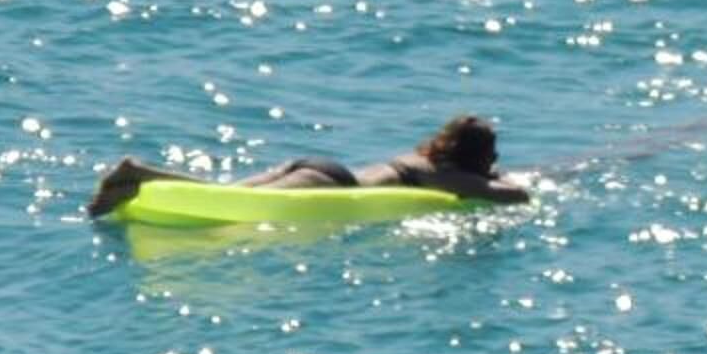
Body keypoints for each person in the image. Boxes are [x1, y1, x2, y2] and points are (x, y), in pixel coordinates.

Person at [87, 114, 530, 217]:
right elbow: (515, 196)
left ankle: (131, 188)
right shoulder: (446, 176)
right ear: (476, 155)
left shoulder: (421, 159)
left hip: (317, 165)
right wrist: (496, 178)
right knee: (231, 201)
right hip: (330, 182)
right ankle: (138, 172)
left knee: (225, 193)